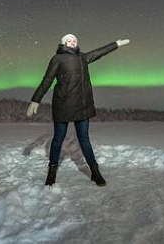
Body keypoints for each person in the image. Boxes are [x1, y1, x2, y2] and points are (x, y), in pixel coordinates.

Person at [26, 33, 130, 187]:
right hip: (63, 105)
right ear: (63, 43)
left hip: (82, 106)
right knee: (58, 139)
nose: (73, 41)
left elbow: (99, 52)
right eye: (69, 40)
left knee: (84, 140)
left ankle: (95, 172)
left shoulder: (83, 57)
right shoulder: (57, 59)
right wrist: (36, 99)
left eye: (74, 39)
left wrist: (115, 44)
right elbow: (47, 80)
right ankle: (52, 172)